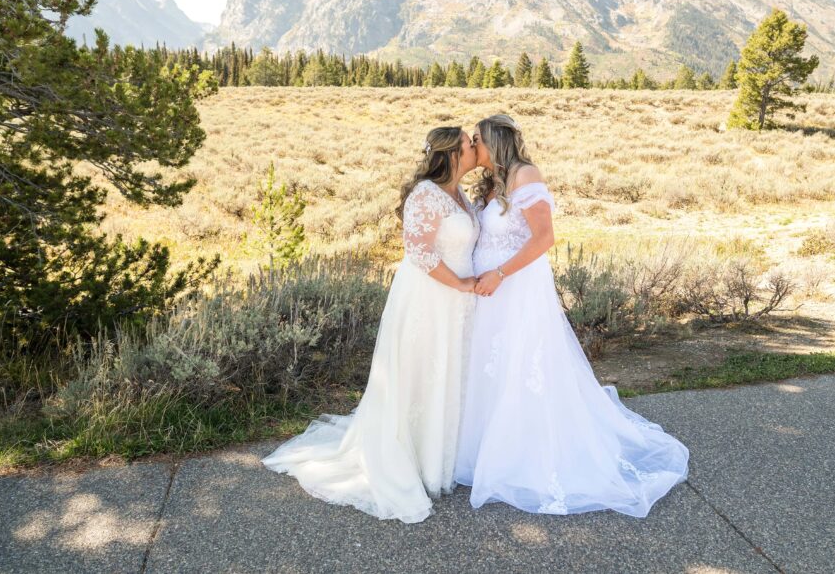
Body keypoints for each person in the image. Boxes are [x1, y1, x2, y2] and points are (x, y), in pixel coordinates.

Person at [455, 114, 689, 517]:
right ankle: (484, 444)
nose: (472, 146)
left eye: (477, 139)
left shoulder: (526, 175)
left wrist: (500, 273)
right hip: (488, 291)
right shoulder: (491, 183)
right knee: (489, 366)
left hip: (515, 287)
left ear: (495, 141)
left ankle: (525, 452)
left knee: (521, 363)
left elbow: (545, 238)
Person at [262, 126, 480, 523]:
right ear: (450, 154)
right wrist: (463, 283)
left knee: (446, 375)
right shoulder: (426, 195)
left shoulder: (459, 194)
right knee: (420, 373)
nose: (474, 148)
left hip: (457, 305)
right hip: (430, 299)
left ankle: (440, 455)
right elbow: (419, 253)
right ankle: (410, 456)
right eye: (469, 144)